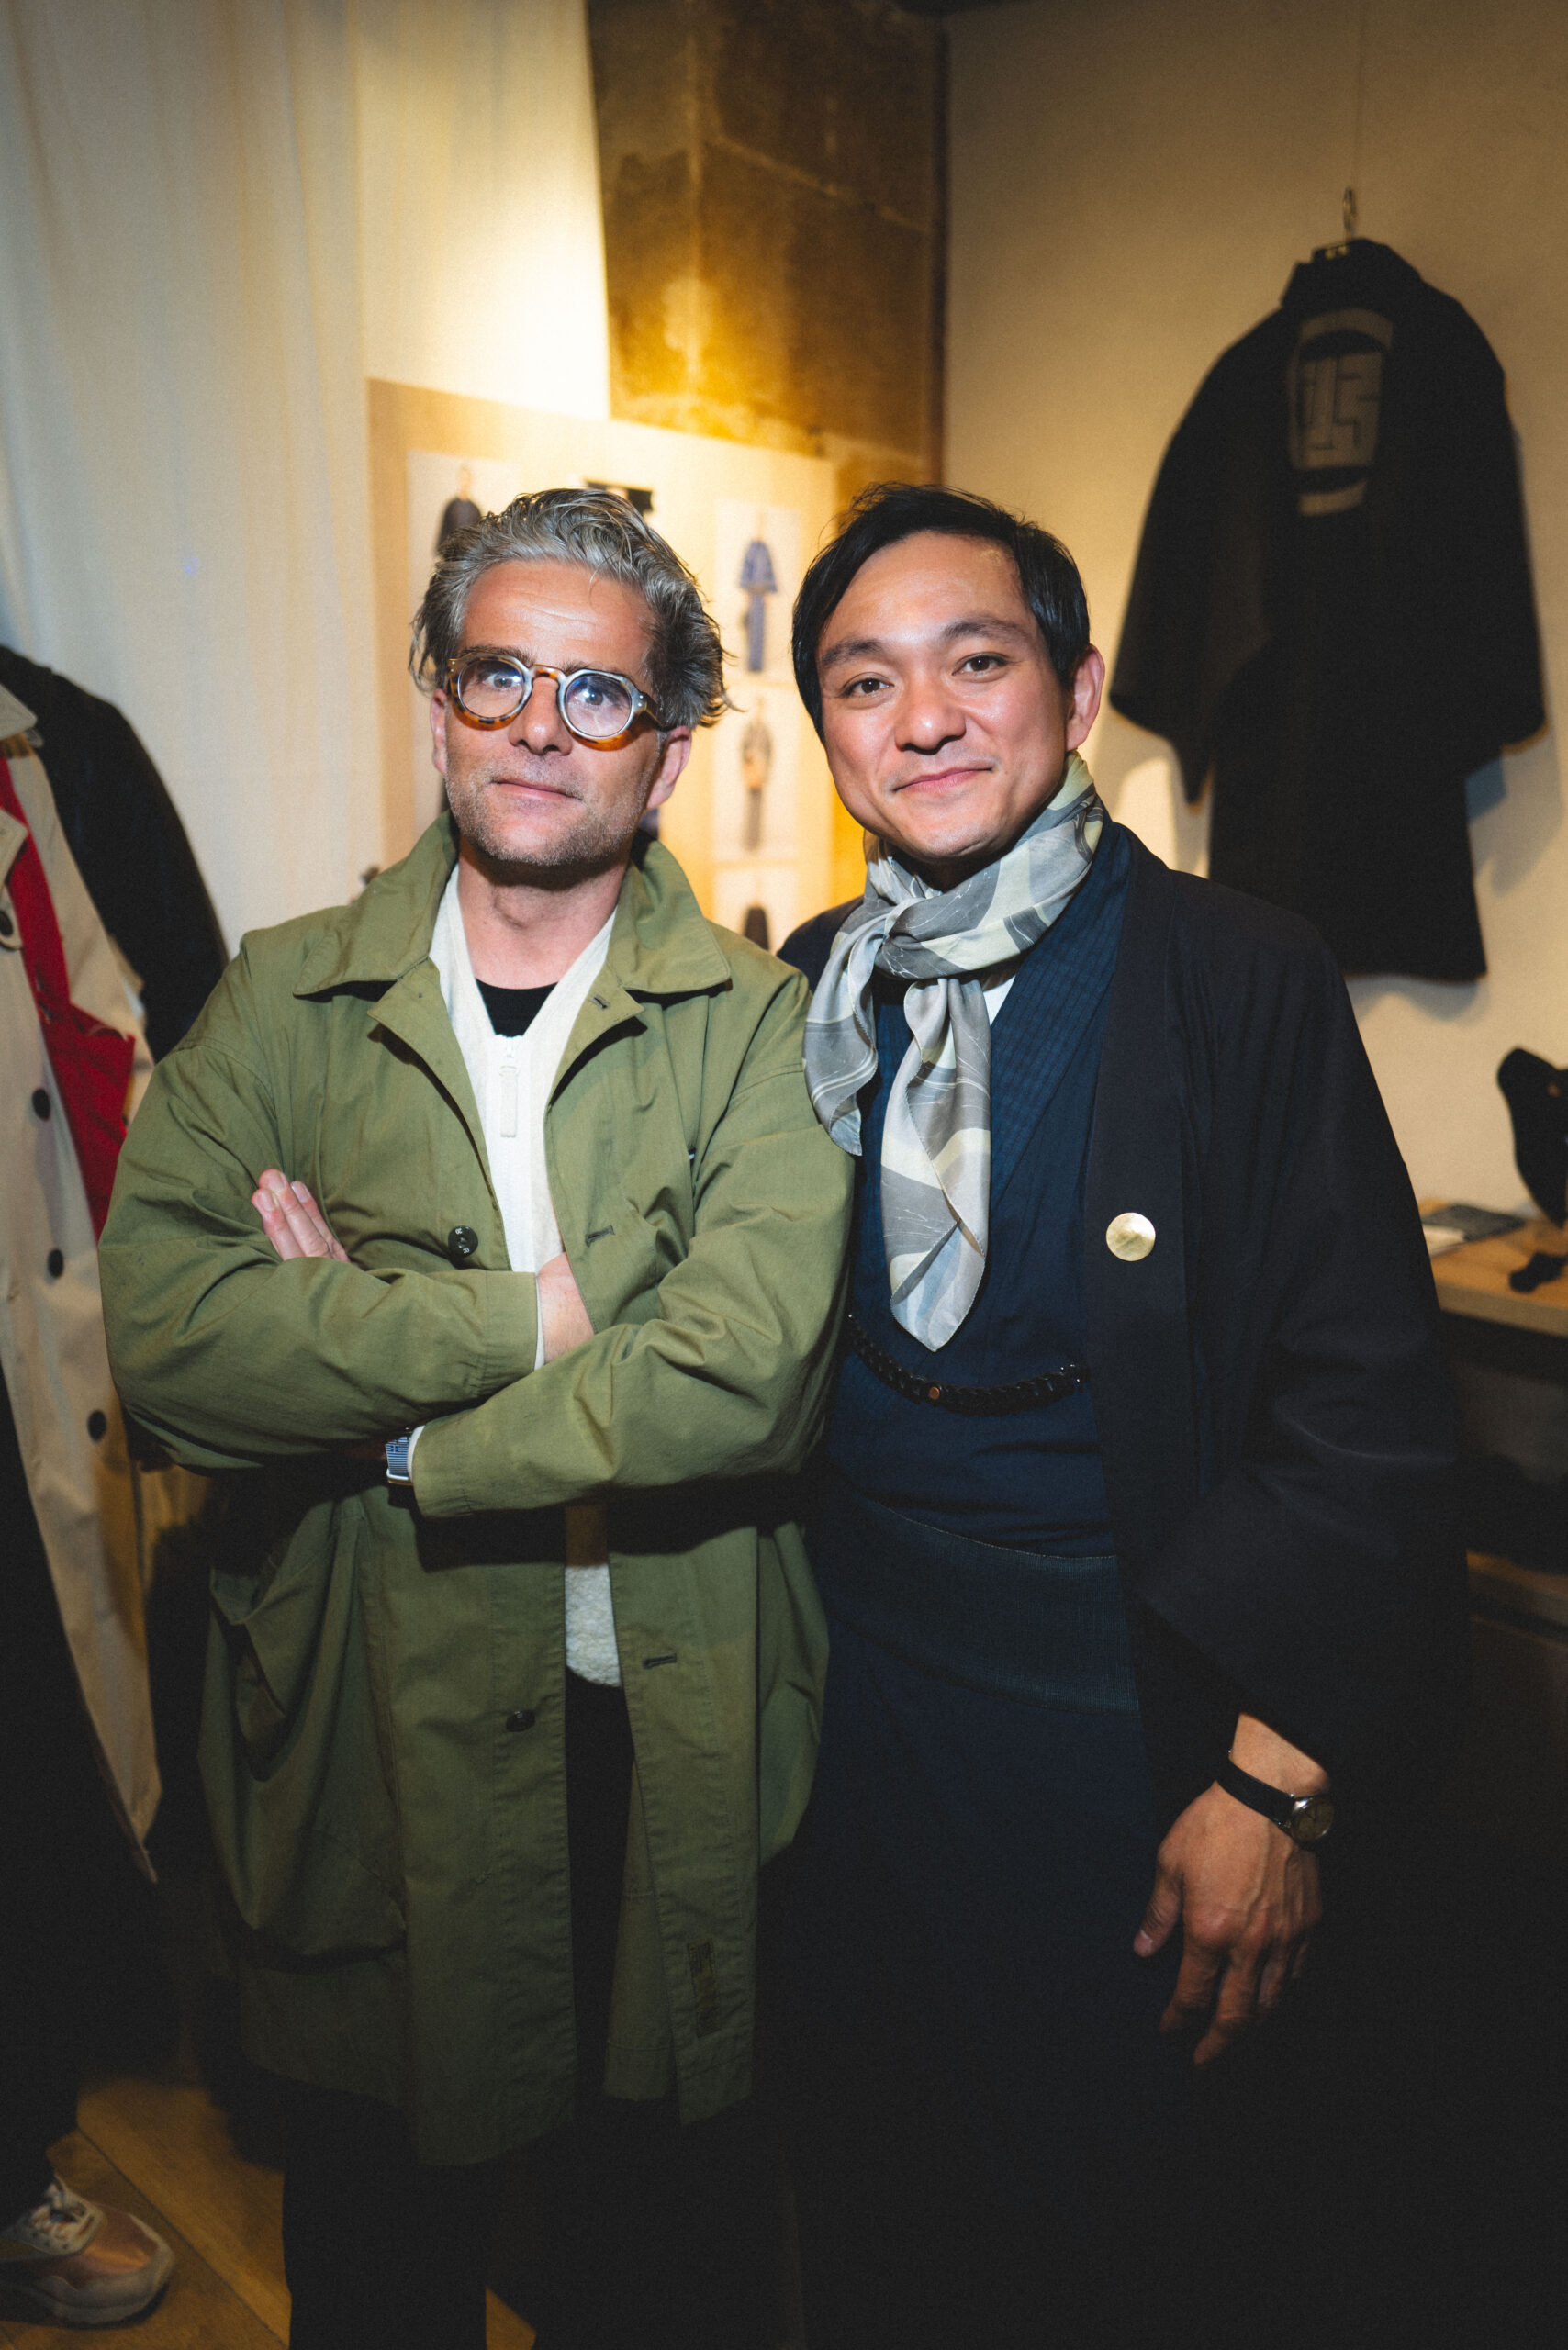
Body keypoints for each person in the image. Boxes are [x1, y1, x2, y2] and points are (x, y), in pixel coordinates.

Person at [99, 489, 853, 2350]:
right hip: (371, 1721)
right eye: (497, 674)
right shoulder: (283, 995)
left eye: (597, 694)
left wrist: (378, 1407)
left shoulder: (760, 1025)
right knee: (380, 2263)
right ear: (435, 697)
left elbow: (746, 1369)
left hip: (658, 1728)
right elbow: (173, 1346)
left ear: (668, 751)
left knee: (662, 2266)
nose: (537, 725)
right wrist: (547, 1311)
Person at [774, 483, 1468, 2348]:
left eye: (974, 661)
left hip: (1123, 1733)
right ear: (826, 729)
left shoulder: (1237, 973)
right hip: (856, 1727)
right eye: (862, 681)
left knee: (1117, 2234)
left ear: (1077, 692)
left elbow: (1366, 1412)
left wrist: (1273, 1780)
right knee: (881, 2206)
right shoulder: (807, 990)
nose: (922, 718)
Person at [0, 656, 222, 2326]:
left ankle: (14, 2171)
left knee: (49, 1754)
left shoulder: (60, 743)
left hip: (56, 1345)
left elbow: (199, 1032)